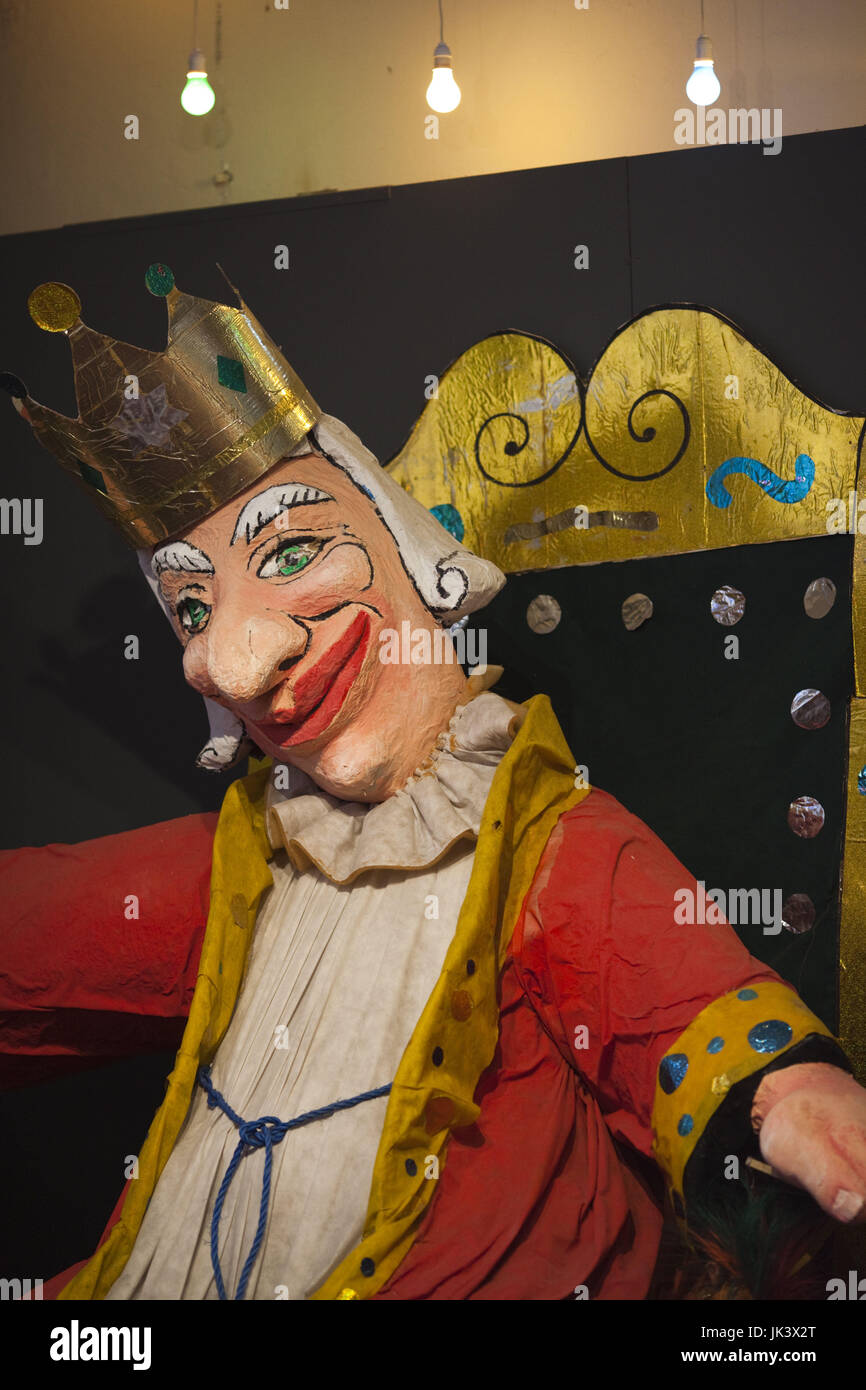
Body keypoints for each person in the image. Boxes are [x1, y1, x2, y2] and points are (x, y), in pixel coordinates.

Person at [2, 267, 865, 1302]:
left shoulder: (537, 834)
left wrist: (779, 1085)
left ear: (405, 545)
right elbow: (42, 936)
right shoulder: (244, 859)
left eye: (292, 547)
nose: (229, 661)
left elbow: (660, 985)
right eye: (193, 611)